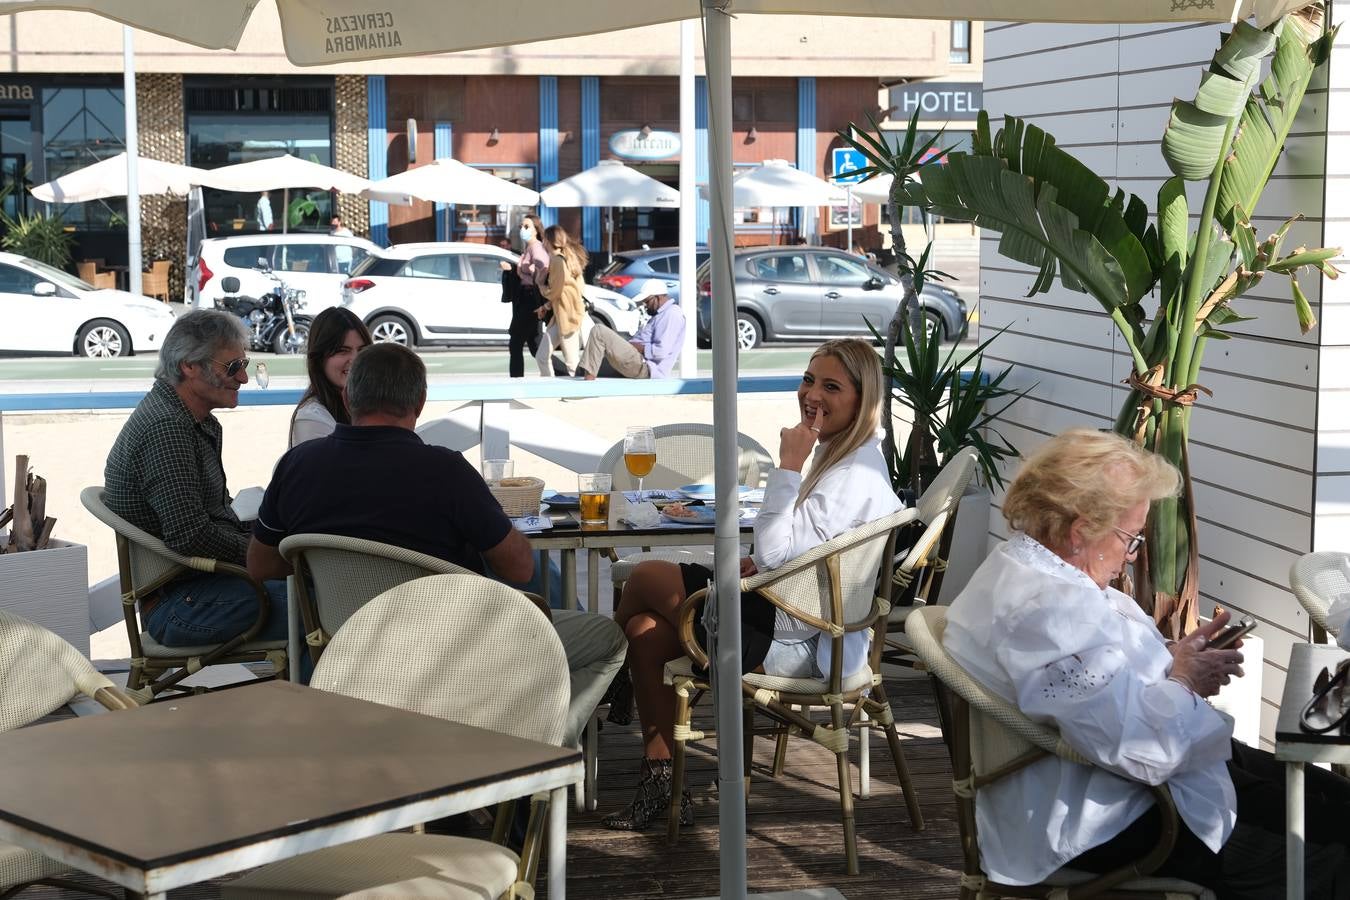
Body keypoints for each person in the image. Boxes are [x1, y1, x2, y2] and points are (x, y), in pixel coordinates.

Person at [943, 428, 1350, 898]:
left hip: (1122, 782)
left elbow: (1094, 688)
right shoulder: (1049, 608)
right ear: (1080, 531)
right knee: (1330, 849)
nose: (1132, 554)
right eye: (1130, 537)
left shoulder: (1027, 569)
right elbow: (1138, 749)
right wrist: (1184, 680)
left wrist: (1173, 660)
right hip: (1108, 817)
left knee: (1331, 799)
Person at [246, 343, 627, 748]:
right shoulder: (445, 470)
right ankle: (530, 751)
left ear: (346, 396)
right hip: (451, 651)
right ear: (420, 402)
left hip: (346, 648)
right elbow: (520, 569)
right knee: (608, 640)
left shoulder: (297, 466)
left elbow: (261, 565)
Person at [599, 338, 902, 830]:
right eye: (808, 380)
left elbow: (778, 552)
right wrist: (760, 565)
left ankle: (609, 683)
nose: (812, 394)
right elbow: (795, 555)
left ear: (862, 399)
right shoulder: (851, 458)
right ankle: (657, 779)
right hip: (789, 608)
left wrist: (786, 466)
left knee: (646, 573)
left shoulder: (851, 474)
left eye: (831, 386)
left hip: (794, 637)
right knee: (644, 630)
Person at [103, 309, 289, 652]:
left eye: (245, 365)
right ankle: (308, 704)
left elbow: (207, 522)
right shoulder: (168, 428)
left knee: (320, 592)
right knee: (321, 603)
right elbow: (190, 535)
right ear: (189, 365)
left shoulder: (192, 420)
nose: (244, 378)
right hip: (178, 605)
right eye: (233, 367)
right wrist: (267, 555)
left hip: (197, 588)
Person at [289, 306, 372, 448]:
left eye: (362, 350)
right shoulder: (312, 418)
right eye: (342, 351)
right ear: (319, 359)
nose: (355, 359)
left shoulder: (374, 404)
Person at [576, 278, 684, 381]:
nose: (645, 306)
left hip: (646, 367)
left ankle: (587, 384)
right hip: (636, 362)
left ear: (658, 297)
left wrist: (636, 347)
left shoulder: (672, 314)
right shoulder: (661, 314)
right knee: (583, 368)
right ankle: (578, 378)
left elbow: (661, 351)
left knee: (599, 331)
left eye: (647, 301)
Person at [534, 224, 586, 377]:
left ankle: (574, 393)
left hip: (568, 317)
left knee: (571, 363)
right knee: (543, 356)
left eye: (544, 239)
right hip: (563, 316)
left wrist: (540, 284)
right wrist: (547, 306)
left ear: (548, 241)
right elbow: (568, 289)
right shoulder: (567, 259)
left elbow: (555, 290)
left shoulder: (557, 260)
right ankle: (550, 389)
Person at [507, 213, 548, 378]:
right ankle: (558, 373)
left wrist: (535, 274)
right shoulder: (529, 248)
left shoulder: (536, 247)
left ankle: (516, 378)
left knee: (516, 341)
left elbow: (544, 265)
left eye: (526, 226)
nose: (522, 230)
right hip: (525, 298)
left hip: (529, 299)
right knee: (534, 344)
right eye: (521, 227)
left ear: (536, 230)